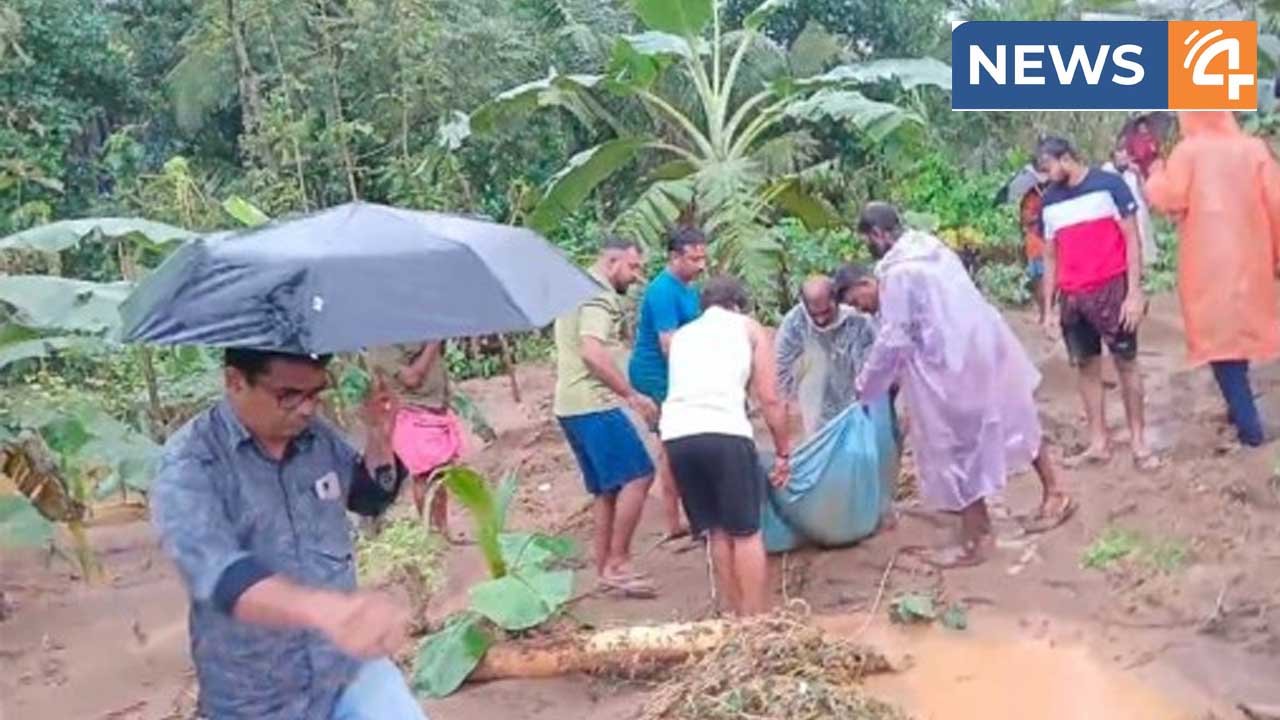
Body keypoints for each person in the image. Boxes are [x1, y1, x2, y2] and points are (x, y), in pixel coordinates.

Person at [151, 349, 425, 720]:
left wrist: (379, 435)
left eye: (314, 394)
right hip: (257, 695)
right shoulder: (192, 462)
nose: (306, 409)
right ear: (235, 381)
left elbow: (367, 498)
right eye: (289, 395)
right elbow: (217, 572)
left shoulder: (317, 439)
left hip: (346, 671)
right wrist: (325, 610)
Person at [854, 202, 1072, 568]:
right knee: (1015, 416)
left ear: (878, 234)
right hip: (984, 343)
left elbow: (895, 338)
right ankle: (1055, 491)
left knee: (955, 444)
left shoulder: (899, 272)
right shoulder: (932, 249)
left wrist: (865, 387)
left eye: (868, 241)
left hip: (951, 364)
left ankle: (977, 537)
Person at [1146, 111, 1280, 447]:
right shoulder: (1254, 149)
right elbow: (1276, 205)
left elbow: (1169, 198)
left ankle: (1251, 433)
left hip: (1208, 266)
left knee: (1221, 347)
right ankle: (1241, 415)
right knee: (1239, 339)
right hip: (1251, 261)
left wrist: (1154, 173)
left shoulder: (1188, 152)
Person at [661, 276, 791, 615]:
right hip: (724, 432)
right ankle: (756, 621)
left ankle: (733, 617)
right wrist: (783, 452)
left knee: (717, 529)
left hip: (677, 435)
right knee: (746, 531)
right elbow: (770, 397)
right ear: (737, 305)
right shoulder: (749, 328)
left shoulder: (682, 336)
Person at [1036, 136, 1158, 471]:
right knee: (1086, 367)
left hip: (1111, 290)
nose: (1046, 176)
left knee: (1126, 363)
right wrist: (1048, 308)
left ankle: (1138, 442)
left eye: (1048, 168)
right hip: (1073, 297)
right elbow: (1049, 257)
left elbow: (1132, 239)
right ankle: (1098, 442)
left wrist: (1134, 292)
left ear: (1066, 158)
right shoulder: (1049, 203)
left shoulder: (1110, 186)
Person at [554, 236, 661, 597]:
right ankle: (619, 562)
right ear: (611, 261)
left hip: (568, 404)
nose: (636, 276)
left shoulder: (573, 289)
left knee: (606, 489)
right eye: (632, 267)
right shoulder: (599, 296)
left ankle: (604, 568)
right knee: (640, 473)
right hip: (593, 403)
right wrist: (631, 395)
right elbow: (592, 352)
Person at [628, 225, 708, 540]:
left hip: (675, 372)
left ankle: (685, 516)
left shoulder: (687, 286)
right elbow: (668, 344)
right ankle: (676, 520)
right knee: (673, 445)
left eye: (703, 258)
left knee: (678, 443)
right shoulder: (663, 290)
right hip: (658, 374)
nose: (700, 265)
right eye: (693, 259)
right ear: (675, 257)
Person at [367, 341, 464, 541]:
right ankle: (429, 533)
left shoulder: (415, 332)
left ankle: (443, 531)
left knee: (440, 475)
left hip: (435, 410)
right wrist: (434, 343)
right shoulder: (382, 347)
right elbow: (411, 379)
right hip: (413, 413)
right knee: (422, 477)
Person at [775, 275, 877, 436]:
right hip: (813, 410)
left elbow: (870, 368)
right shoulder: (794, 324)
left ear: (836, 300)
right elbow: (781, 368)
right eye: (814, 314)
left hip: (854, 409)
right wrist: (788, 404)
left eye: (826, 312)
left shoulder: (858, 321)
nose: (821, 320)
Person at [1103, 146, 1158, 269]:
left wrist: (1138, 175)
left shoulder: (1132, 172)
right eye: (1120, 154)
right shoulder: (1107, 172)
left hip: (1137, 210)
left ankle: (1145, 267)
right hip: (1119, 214)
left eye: (1126, 155)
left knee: (1142, 238)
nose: (1124, 157)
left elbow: (1144, 193)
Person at [1020, 179, 1050, 324]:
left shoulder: (1055, 193)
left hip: (1051, 243)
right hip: (1036, 243)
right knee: (1038, 280)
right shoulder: (1031, 197)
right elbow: (1026, 219)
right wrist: (1041, 213)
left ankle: (1048, 313)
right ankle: (1044, 312)